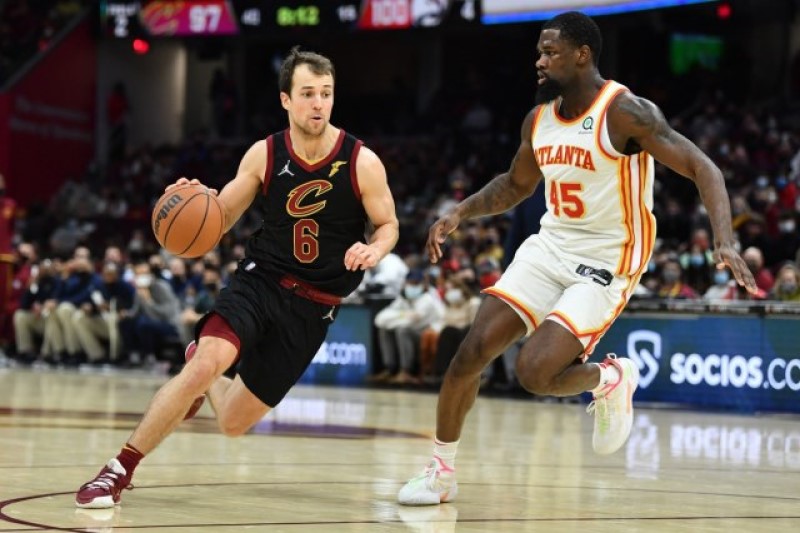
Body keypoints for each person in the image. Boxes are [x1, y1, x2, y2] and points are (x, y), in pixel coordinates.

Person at [397, 11, 756, 506]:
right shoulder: (538, 119)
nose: (540, 61)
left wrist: (725, 240)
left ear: (582, 55)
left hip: (609, 257)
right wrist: (461, 212)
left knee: (534, 373)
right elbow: (515, 185)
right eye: (539, 53)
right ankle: (441, 473)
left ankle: (609, 377)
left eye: (551, 52)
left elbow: (702, 166)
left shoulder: (625, 112)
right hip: (551, 246)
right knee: (471, 351)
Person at [75, 46, 399, 509]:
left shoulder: (362, 161)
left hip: (314, 307)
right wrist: (193, 202)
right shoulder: (264, 154)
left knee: (231, 422)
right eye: (307, 93)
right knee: (206, 364)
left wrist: (375, 248)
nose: (318, 104)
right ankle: (118, 469)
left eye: (326, 93)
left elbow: (388, 225)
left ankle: (201, 371)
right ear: (285, 99)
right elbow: (222, 216)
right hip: (260, 281)